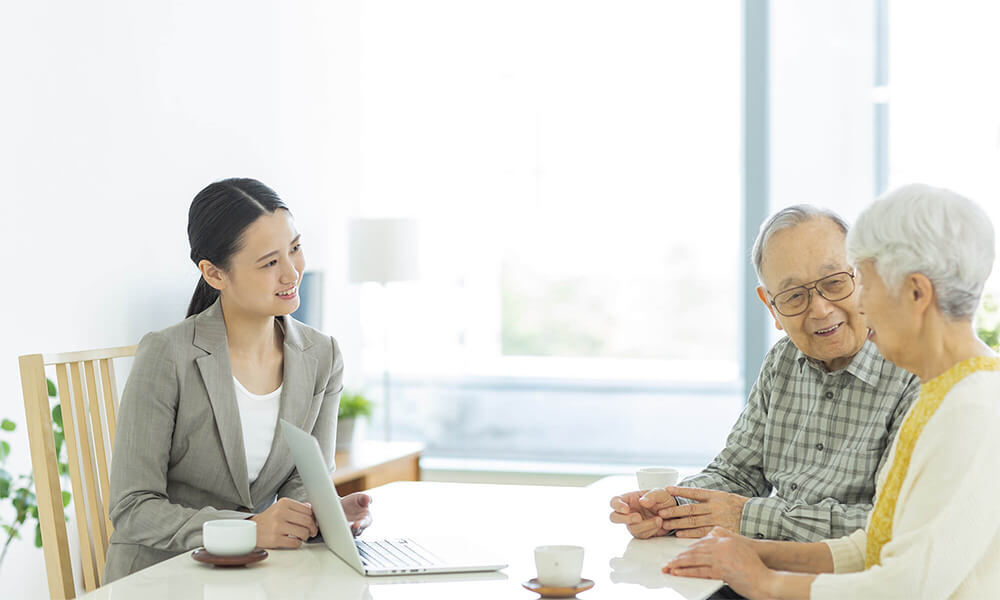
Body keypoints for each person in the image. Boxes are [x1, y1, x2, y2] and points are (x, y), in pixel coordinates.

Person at [663, 183, 1000, 599]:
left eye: (865, 285)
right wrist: (751, 550)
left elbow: (908, 586)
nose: (861, 307)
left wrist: (766, 581)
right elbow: (878, 539)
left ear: (915, 293)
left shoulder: (971, 407)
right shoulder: (946, 390)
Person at [104, 178, 372, 582]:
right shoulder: (167, 354)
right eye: (269, 262)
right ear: (214, 274)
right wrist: (248, 528)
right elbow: (132, 508)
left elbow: (303, 485)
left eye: (295, 249)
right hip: (163, 578)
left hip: (258, 578)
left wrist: (320, 519)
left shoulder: (322, 356)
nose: (291, 273)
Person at [610, 205, 920, 542]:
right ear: (771, 306)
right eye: (793, 296)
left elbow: (894, 524)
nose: (820, 309)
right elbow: (737, 474)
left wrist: (745, 516)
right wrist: (671, 507)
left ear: (865, 276)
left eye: (834, 283)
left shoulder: (914, 372)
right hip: (764, 570)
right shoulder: (782, 361)